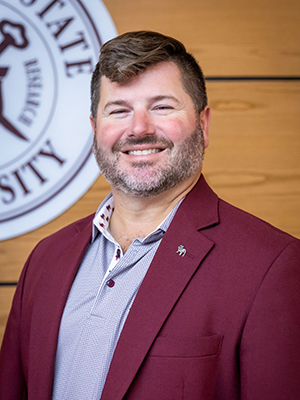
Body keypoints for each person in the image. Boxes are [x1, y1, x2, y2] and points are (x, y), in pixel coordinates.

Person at [0, 30, 299, 400]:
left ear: (202, 125)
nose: (138, 128)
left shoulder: (272, 266)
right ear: (96, 130)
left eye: (162, 106)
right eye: (119, 110)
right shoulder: (45, 259)